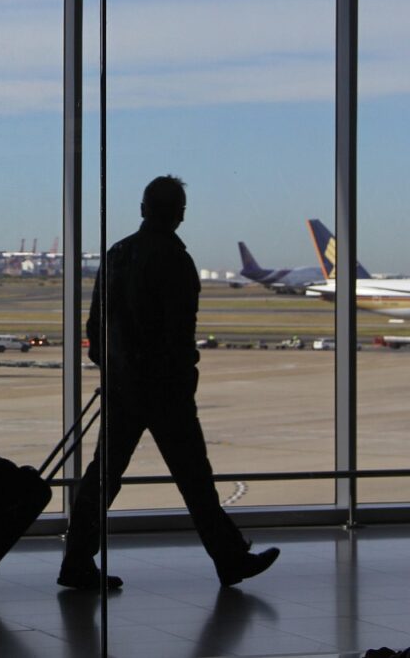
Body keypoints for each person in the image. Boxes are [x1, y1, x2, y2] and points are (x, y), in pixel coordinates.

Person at [58, 175, 279, 590]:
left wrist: (114, 369)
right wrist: (181, 378)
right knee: (195, 479)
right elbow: (178, 333)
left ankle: (76, 559)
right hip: (163, 390)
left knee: (102, 478)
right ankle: (229, 558)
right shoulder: (174, 259)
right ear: (179, 214)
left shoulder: (117, 254)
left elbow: (95, 327)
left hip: (124, 386)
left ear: (144, 209)